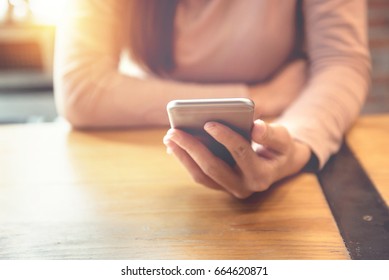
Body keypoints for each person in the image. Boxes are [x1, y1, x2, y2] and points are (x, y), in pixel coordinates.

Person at [54, 0, 371, 199]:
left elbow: (341, 62)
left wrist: (297, 144)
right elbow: (80, 88)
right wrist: (260, 97)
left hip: (279, 132)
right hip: (135, 167)